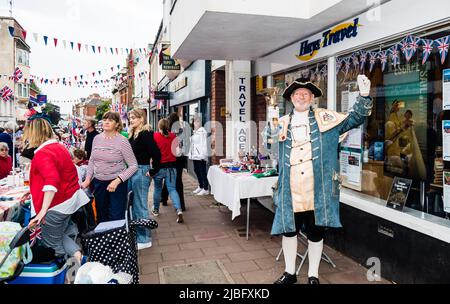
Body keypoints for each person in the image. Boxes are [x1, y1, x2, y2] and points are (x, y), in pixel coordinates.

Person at [272, 75, 373, 284]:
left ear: (312, 98)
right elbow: (270, 144)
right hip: (290, 189)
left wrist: (364, 96)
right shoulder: (280, 123)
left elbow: (354, 118)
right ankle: (290, 273)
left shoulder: (326, 118)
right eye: (298, 94)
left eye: (306, 94)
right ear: (291, 98)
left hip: (317, 189)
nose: (302, 97)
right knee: (289, 231)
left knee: (316, 232)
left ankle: (313, 275)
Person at [24, 118, 90, 265]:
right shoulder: (59, 147)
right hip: (68, 200)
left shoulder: (43, 153)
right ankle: (77, 255)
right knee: (57, 236)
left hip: (57, 205)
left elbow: (52, 181)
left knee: (52, 245)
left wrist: (42, 211)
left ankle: (68, 271)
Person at [81, 112, 138, 223]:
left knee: (116, 216)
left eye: (110, 120)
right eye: (105, 119)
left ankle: (117, 239)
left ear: (117, 124)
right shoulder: (97, 138)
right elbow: (92, 160)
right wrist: (88, 179)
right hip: (98, 183)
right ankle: (104, 239)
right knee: (101, 215)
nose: (106, 122)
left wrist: (117, 180)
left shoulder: (122, 141)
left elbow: (133, 165)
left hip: (116, 184)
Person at [128, 109, 161, 250]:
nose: (131, 119)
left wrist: (153, 171)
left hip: (141, 171)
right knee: (135, 205)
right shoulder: (133, 134)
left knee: (140, 205)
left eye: (134, 117)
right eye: (130, 117)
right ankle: (139, 234)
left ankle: (144, 239)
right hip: (132, 171)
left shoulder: (145, 134)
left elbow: (157, 153)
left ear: (142, 119)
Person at [152, 118, 184, 223]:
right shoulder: (174, 136)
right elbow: (178, 153)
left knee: (157, 189)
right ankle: (179, 211)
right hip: (172, 168)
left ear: (159, 126)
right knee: (172, 189)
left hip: (158, 168)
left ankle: (156, 210)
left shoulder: (155, 136)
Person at [161, 112, 188, 210]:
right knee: (178, 180)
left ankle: (164, 198)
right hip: (179, 157)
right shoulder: (181, 130)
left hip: (170, 158)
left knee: (168, 178)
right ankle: (182, 204)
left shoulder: (167, 131)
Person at [189, 115, 209, 196]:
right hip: (195, 155)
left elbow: (204, 145)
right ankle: (200, 186)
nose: (195, 123)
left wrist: (203, 156)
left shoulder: (202, 132)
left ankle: (206, 188)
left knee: (202, 171)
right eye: (194, 121)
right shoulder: (196, 131)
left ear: (201, 123)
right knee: (196, 170)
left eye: (197, 121)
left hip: (200, 155)